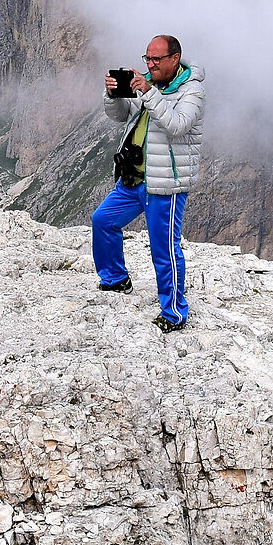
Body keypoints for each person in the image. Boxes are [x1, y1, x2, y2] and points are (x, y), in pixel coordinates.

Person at [92, 35, 202, 331]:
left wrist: (149, 92)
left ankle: (174, 312)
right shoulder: (149, 86)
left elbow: (177, 125)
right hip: (134, 177)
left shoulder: (192, 92)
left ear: (174, 59)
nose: (151, 65)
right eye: (147, 59)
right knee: (103, 220)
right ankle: (115, 279)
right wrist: (112, 94)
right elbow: (120, 116)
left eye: (156, 60)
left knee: (164, 247)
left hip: (165, 184)